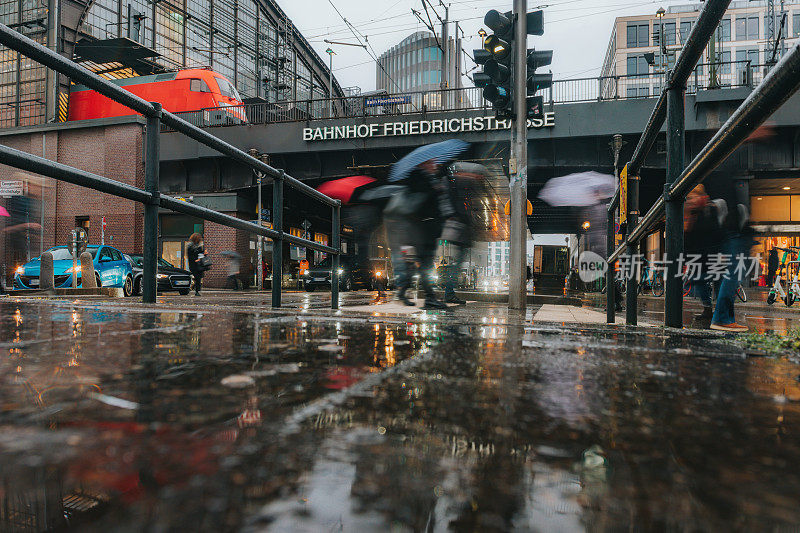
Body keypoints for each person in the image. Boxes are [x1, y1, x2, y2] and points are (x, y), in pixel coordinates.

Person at [684, 184, 724, 327]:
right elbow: (688, 236)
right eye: (690, 198)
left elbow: (718, 231)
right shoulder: (691, 213)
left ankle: (718, 310)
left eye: (694, 197)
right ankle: (708, 308)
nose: (692, 200)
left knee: (717, 280)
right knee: (698, 280)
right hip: (699, 255)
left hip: (713, 253)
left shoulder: (711, 209)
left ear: (702, 197)